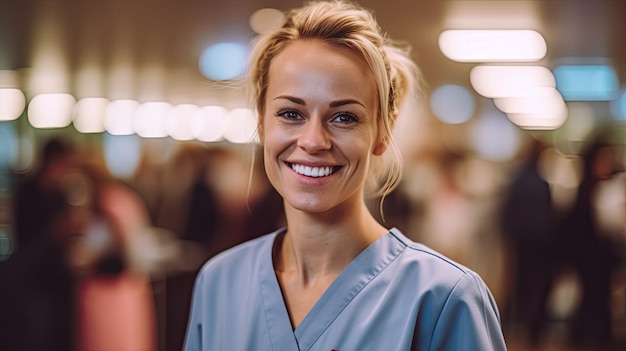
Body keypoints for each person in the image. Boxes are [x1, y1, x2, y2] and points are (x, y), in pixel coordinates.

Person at [183, 1, 507, 350]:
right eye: (291, 113)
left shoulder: (442, 301)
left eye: (344, 118)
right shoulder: (219, 284)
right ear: (261, 122)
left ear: (383, 132)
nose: (312, 141)